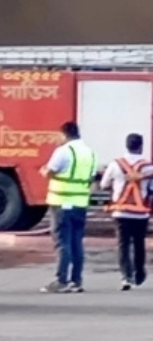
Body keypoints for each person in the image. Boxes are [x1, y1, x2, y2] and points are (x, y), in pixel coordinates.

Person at [40, 121, 98, 294]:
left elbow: (50, 171)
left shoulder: (64, 151)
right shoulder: (90, 153)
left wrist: (43, 171)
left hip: (62, 201)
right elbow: (92, 179)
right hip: (80, 203)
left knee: (62, 242)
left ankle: (61, 280)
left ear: (64, 134)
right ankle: (76, 280)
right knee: (76, 242)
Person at [101, 133, 153, 290]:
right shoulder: (148, 166)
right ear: (141, 146)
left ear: (126, 146)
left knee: (123, 245)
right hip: (141, 213)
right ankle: (139, 273)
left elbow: (104, 185)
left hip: (121, 212)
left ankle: (126, 277)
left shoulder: (115, 164)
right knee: (139, 244)